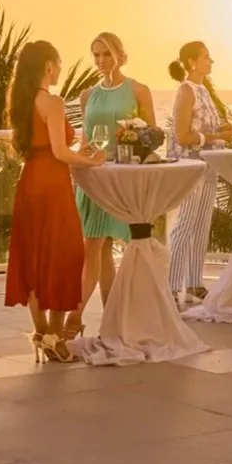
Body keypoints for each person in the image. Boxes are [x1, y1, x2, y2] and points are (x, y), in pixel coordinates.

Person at [6, 41, 104, 362]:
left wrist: (78, 154)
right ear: (49, 65)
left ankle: (43, 333)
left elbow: (43, 146)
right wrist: (92, 161)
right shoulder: (53, 101)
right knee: (65, 257)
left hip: (29, 181)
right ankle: (55, 338)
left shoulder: (21, 100)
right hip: (53, 184)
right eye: (58, 63)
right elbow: (60, 153)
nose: (60, 69)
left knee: (34, 258)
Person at [70, 33, 154, 336]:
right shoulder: (86, 95)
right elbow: (85, 139)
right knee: (96, 247)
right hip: (92, 178)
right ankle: (107, 318)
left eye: (106, 54)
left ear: (121, 54)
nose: (101, 60)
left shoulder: (139, 90)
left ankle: (75, 318)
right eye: (96, 55)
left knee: (98, 246)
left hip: (120, 178)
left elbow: (152, 137)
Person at [165, 41, 232, 303]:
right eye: (207, 57)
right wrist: (217, 135)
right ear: (193, 62)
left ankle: (194, 283)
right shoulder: (186, 91)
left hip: (208, 165)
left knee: (202, 223)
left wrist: (223, 131)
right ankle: (171, 286)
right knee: (185, 224)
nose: (211, 61)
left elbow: (205, 128)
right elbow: (182, 136)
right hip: (191, 166)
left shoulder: (203, 90)